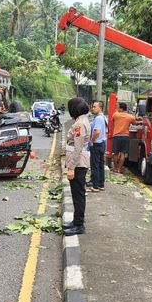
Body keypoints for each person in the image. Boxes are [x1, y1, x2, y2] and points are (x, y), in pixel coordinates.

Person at [64, 97, 91, 236]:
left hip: (78, 163)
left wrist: (70, 167)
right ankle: (76, 222)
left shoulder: (79, 124)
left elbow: (78, 148)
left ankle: (79, 225)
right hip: (79, 162)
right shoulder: (83, 120)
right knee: (77, 194)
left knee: (78, 195)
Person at [110, 102, 136, 172]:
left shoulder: (115, 114)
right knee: (123, 153)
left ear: (120, 108)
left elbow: (112, 122)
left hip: (116, 136)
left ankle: (115, 168)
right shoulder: (130, 116)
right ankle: (119, 169)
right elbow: (134, 123)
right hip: (125, 136)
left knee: (115, 153)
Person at [89, 100, 107, 192]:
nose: (93, 108)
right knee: (100, 164)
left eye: (94, 107)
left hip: (97, 143)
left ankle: (95, 186)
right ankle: (101, 184)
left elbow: (97, 131)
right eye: (92, 106)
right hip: (102, 143)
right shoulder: (103, 117)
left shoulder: (98, 118)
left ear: (100, 108)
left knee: (95, 165)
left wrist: (92, 141)